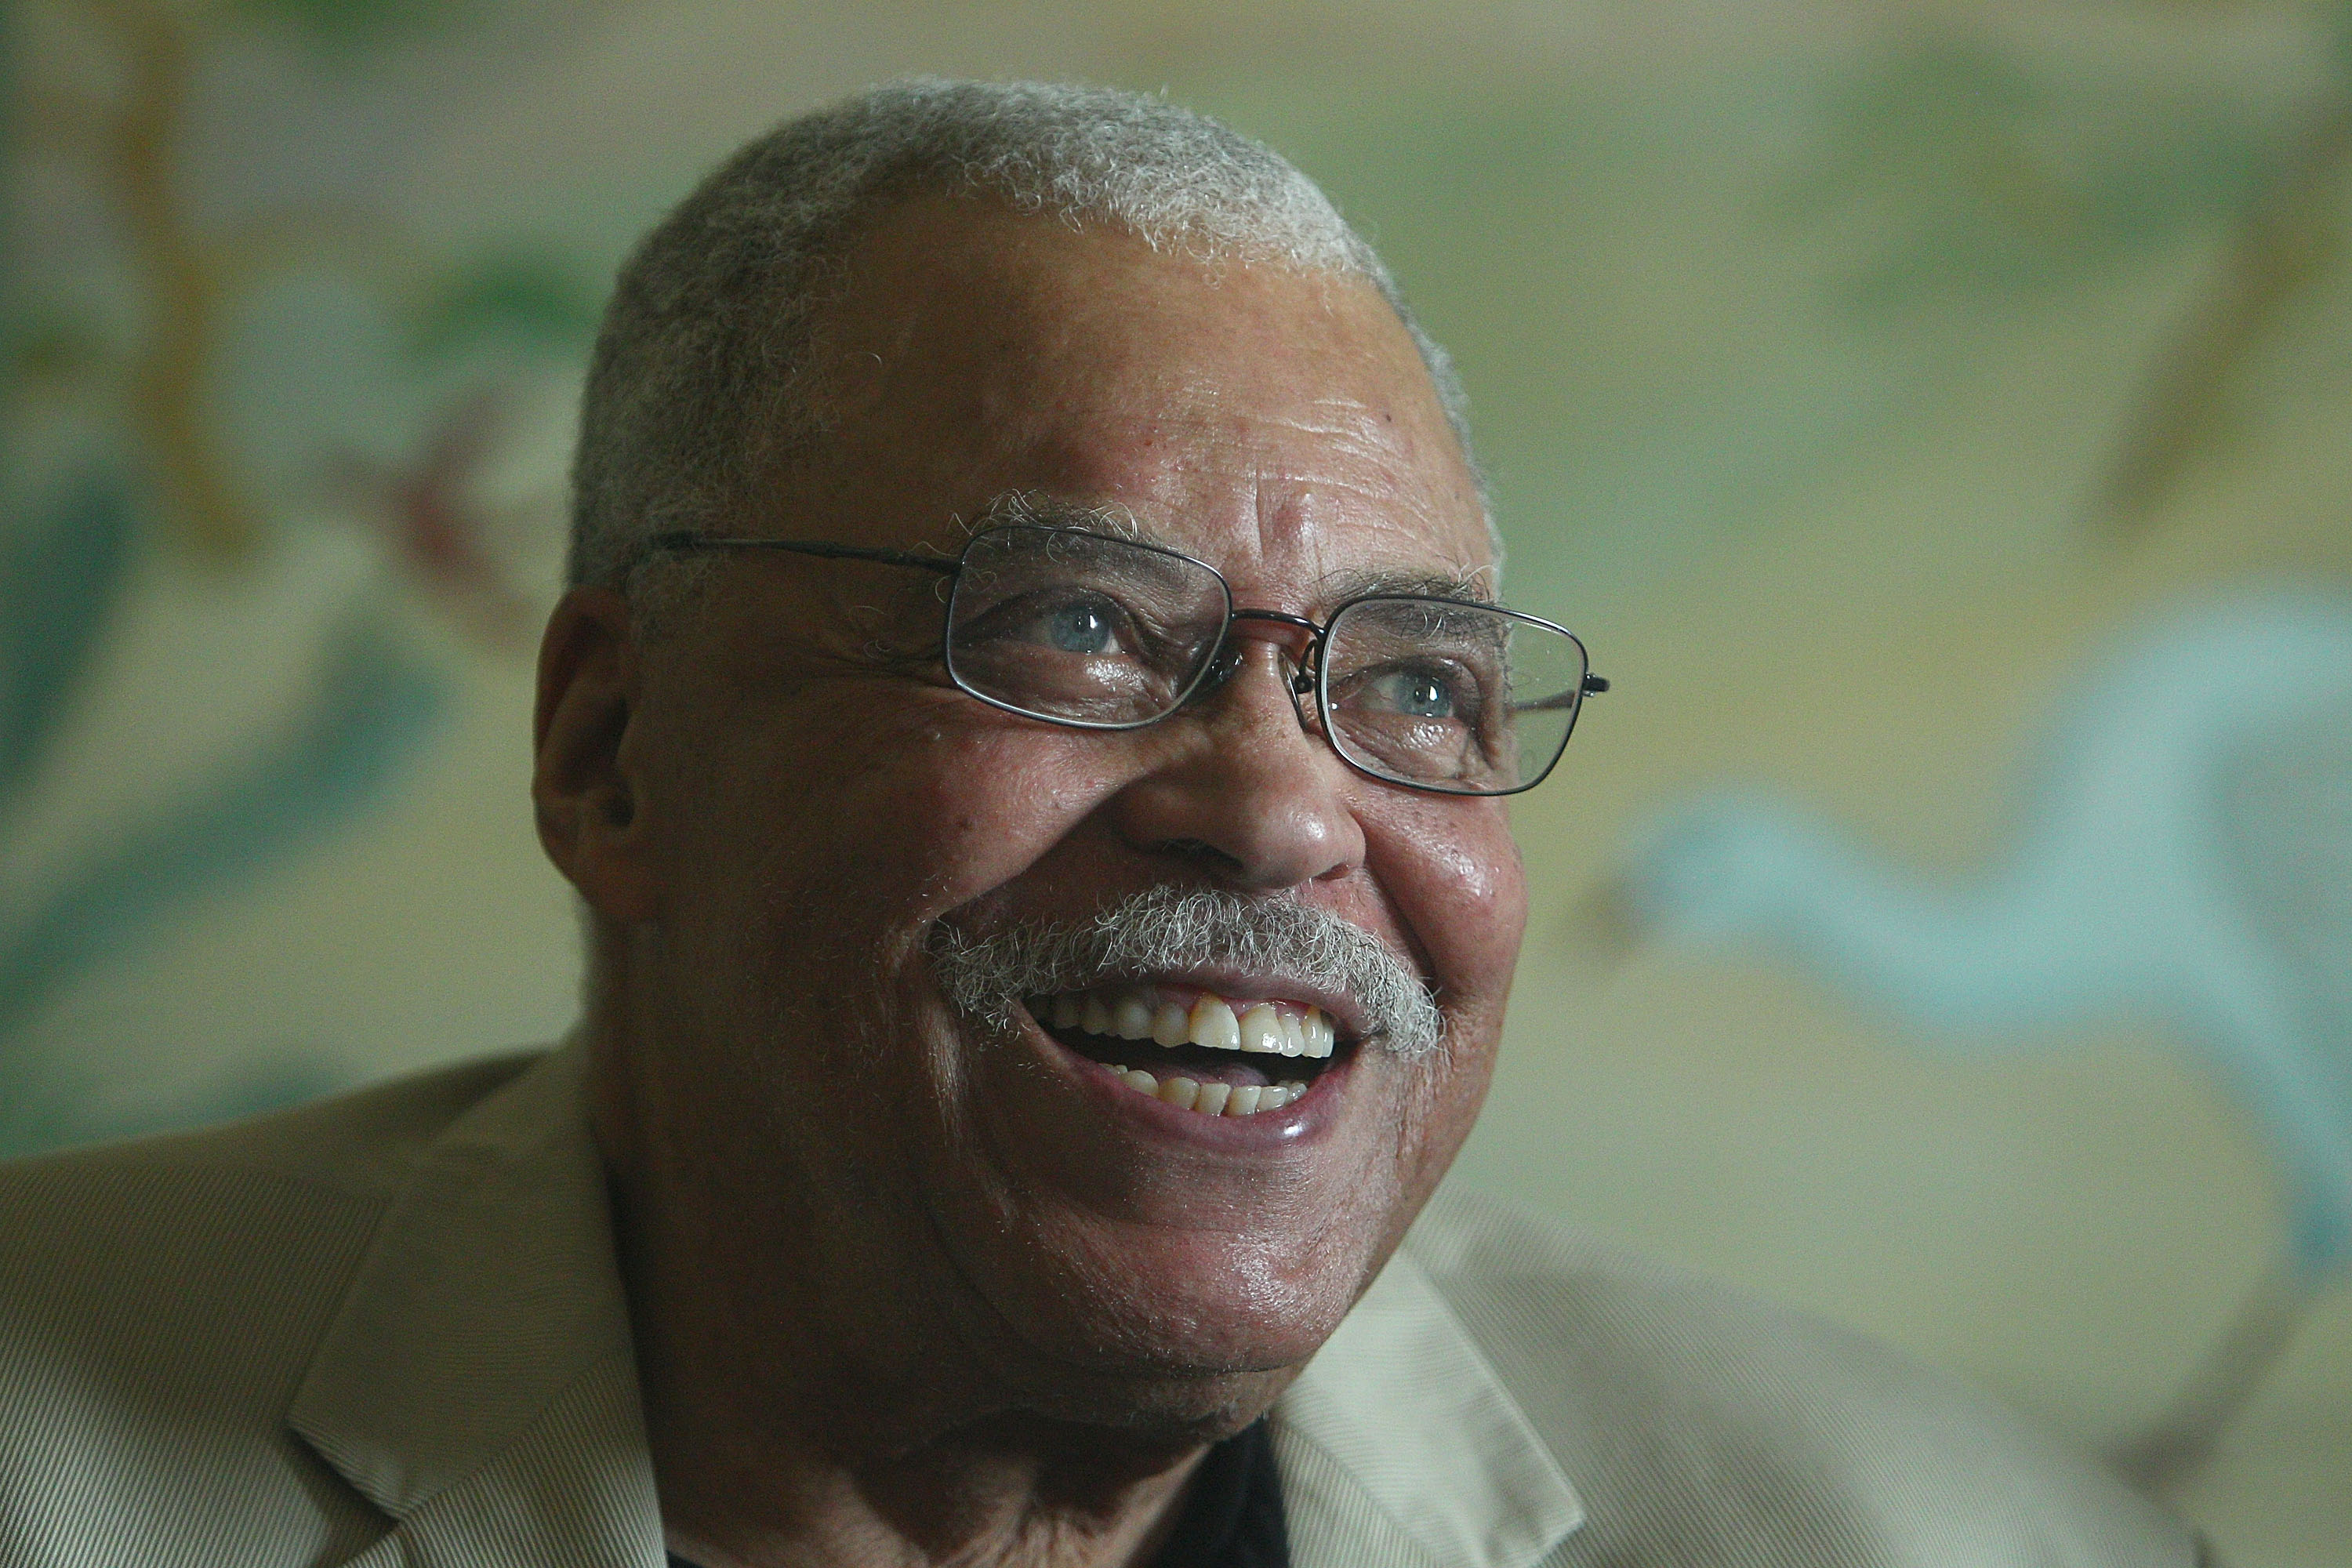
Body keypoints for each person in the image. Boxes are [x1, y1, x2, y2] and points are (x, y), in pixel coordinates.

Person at [0, 80, 2205, 1568]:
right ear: (614, 752)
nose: (1277, 808)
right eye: (1066, 628)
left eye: (1416, 683)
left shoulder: (1960, 1538)